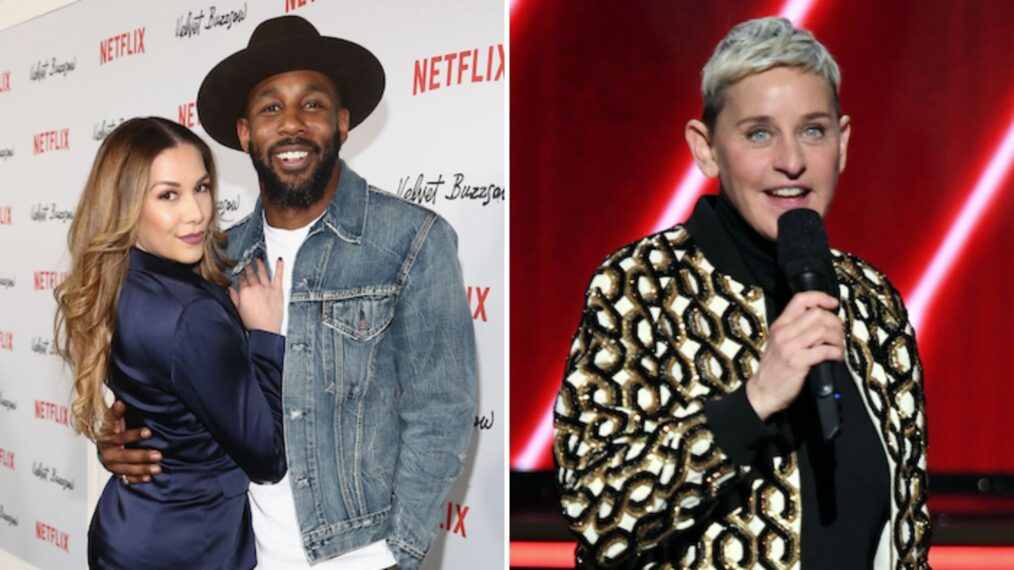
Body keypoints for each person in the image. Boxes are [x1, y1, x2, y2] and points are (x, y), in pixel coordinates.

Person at [98, 16, 478, 570]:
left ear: (343, 123)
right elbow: (180, 394)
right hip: (244, 551)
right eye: (271, 108)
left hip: (361, 556)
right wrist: (122, 442)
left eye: (314, 105)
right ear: (246, 133)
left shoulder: (412, 242)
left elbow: (442, 411)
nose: (293, 124)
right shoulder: (217, 257)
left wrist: (403, 552)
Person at [554, 17, 930, 569]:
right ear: (706, 149)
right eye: (758, 132)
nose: (792, 160)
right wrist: (752, 403)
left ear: (842, 143)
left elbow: (909, 533)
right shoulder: (642, 286)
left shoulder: (872, 301)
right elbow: (596, 510)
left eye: (813, 130)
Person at [54, 117, 287, 568]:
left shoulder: (118, 281)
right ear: (124, 206)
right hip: (185, 547)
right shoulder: (190, 316)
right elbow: (268, 458)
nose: (196, 212)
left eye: (201, 187)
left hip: (130, 526)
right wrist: (263, 337)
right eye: (168, 195)